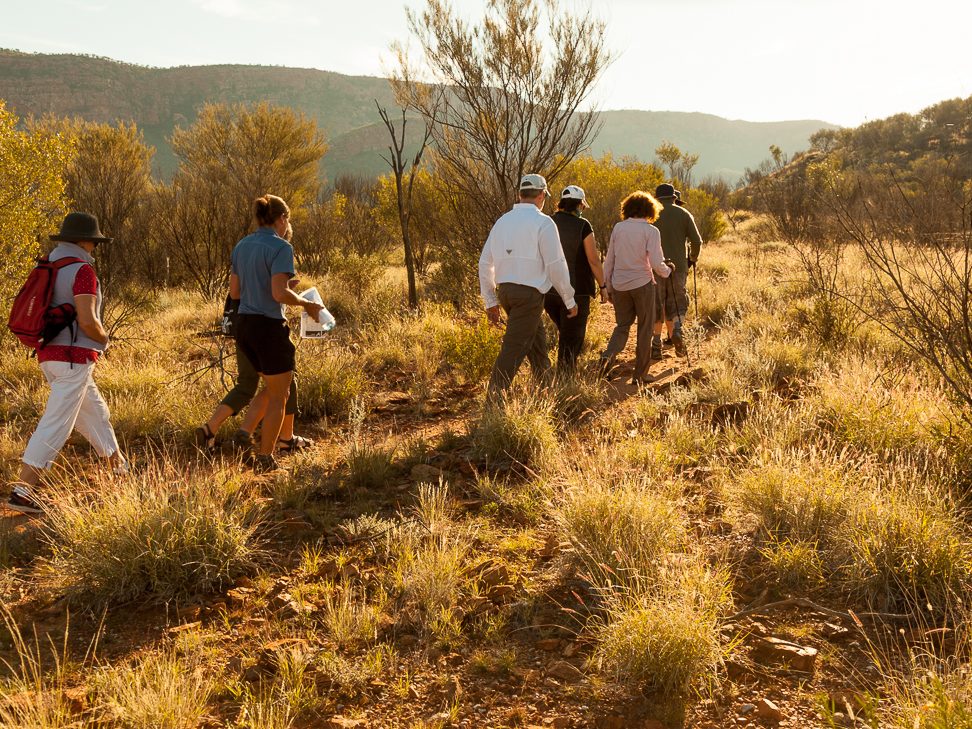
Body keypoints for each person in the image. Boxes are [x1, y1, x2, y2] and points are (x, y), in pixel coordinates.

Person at [7, 212, 127, 514]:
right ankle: (23, 491)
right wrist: (104, 339)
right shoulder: (82, 270)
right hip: (74, 357)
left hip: (50, 356)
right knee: (57, 421)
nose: (95, 248)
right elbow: (87, 319)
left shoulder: (50, 264)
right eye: (94, 242)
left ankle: (120, 470)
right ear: (86, 241)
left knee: (96, 413)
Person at [230, 194, 323, 472]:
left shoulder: (242, 245)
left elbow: (235, 292)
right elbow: (278, 293)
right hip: (268, 327)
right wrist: (307, 303)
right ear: (282, 219)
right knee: (280, 395)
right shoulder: (281, 247)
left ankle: (245, 434)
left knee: (272, 389)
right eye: (287, 220)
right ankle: (267, 456)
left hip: (243, 325)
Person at [479, 174, 577, 400]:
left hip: (505, 293)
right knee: (513, 349)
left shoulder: (502, 222)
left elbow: (485, 263)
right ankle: (493, 402)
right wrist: (569, 300)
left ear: (519, 195)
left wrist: (491, 301)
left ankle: (548, 395)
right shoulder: (543, 223)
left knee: (537, 346)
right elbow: (556, 265)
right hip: (529, 296)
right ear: (542, 195)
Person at [600, 192, 675, 385]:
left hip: (620, 284)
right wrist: (668, 271)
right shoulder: (651, 231)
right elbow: (657, 263)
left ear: (628, 208)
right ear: (649, 210)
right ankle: (640, 375)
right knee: (645, 329)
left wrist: (606, 285)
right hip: (642, 284)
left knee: (622, 326)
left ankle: (607, 358)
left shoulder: (618, 228)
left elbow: (609, 260)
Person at [543, 185, 607, 372]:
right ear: (579, 205)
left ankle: (561, 374)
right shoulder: (583, 225)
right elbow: (593, 260)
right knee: (572, 340)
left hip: (549, 290)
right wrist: (602, 286)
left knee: (565, 333)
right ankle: (565, 381)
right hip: (576, 291)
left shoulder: (547, 222)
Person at [653, 183, 703, 354]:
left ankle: (656, 345)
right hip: (679, 267)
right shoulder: (684, 213)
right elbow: (697, 241)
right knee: (678, 302)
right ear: (674, 198)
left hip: (655, 266)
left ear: (656, 199)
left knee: (657, 303)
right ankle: (677, 330)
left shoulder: (651, 215)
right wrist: (692, 259)